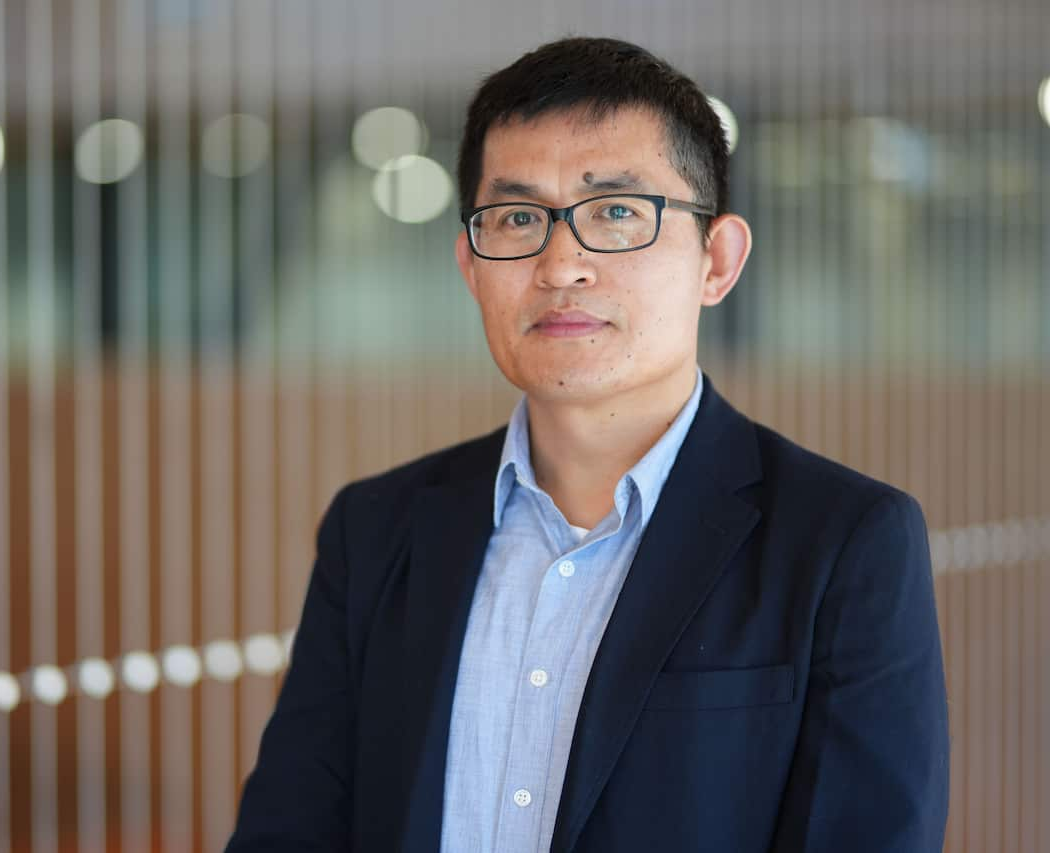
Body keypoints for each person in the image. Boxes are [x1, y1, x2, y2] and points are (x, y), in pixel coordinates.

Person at [226, 37, 949, 853]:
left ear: (717, 260)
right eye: (518, 217)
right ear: (470, 264)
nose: (561, 263)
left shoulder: (843, 543)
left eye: (615, 212)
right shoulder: (377, 530)